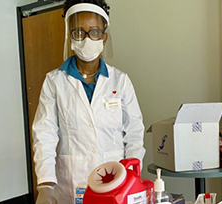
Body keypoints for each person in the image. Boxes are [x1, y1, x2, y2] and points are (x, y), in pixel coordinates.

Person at [32, 1, 146, 203]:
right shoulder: (54, 81)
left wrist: (131, 174)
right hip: (72, 182)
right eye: (78, 32)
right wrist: (45, 184)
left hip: (116, 181)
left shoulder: (120, 81)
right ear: (70, 37)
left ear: (104, 37)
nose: (86, 39)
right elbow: (45, 134)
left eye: (94, 32)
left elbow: (135, 132)